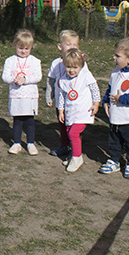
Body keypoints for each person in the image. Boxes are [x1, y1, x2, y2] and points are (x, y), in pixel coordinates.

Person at [99, 37, 129, 179]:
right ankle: (114, 160)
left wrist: (122, 99)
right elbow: (110, 89)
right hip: (115, 116)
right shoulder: (115, 73)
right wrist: (106, 101)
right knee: (114, 139)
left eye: (118, 56)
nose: (114, 58)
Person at [56, 49, 99, 172]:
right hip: (71, 112)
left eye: (75, 67)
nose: (71, 70)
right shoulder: (63, 79)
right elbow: (62, 96)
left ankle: (77, 157)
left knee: (73, 133)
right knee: (71, 133)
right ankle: (74, 154)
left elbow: (94, 89)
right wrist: (61, 110)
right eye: (68, 67)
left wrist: (96, 104)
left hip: (83, 112)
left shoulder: (86, 76)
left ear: (81, 66)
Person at [2, 29, 43, 155]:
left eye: (26, 48)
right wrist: (14, 80)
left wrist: (25, 80)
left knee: (29, 120)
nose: (23, 51)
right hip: (16, 96)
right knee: (18, 120)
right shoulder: (10, 61)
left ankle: (30, 143)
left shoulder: (35, 61)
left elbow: (38, 76)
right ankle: (17, 143)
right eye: (21, 48)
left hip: (30, 96)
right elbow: (5, 76)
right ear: (15, 45)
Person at [46, 29, 82, 158]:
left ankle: (75, 148)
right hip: (60, 101)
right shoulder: (56, 63)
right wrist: (49, 96)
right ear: (60, 46)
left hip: (74, 101)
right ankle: (64, 145)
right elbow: (51, 79)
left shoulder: (80, 63)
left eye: (75, 45)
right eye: (69, 44)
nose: (72, 47)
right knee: (62, 124)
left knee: (73, 125)